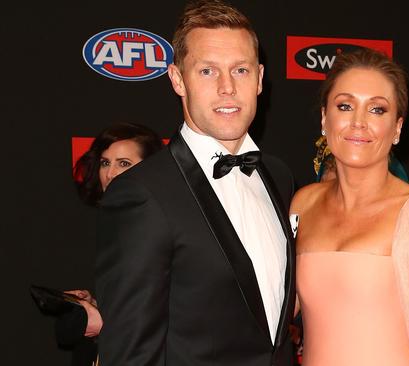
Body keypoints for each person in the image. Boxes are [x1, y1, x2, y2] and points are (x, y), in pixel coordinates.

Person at [94, 1, 296, 365]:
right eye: (207, 71)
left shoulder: (278, 177)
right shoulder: (142, 194)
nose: (227, 88)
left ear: (260, 78)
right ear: (177, 79)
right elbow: (130, 354)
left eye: (240, 70)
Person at [289, 48, 409, 366]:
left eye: (377, 110)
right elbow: (281, 308)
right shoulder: (303, 203)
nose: (359, 123)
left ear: (397, 128)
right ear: (325, 117)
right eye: (345, 106)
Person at [57, 122, 163, 366]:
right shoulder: (114, 226)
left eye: (124, 163)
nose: (110, 173)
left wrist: (106, 322)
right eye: (106, 162)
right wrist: (97, 304)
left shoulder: (160, 227)